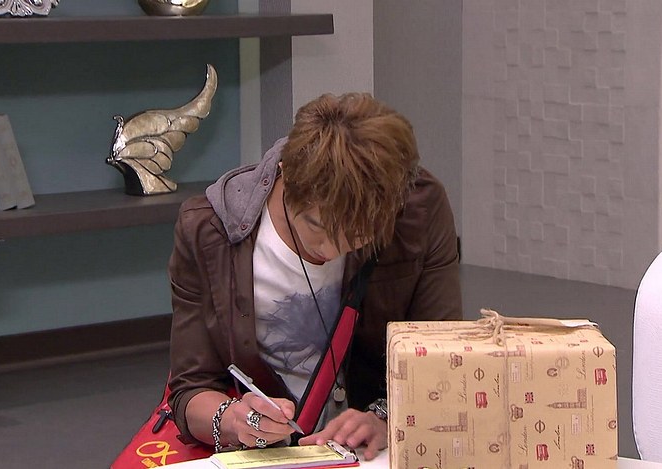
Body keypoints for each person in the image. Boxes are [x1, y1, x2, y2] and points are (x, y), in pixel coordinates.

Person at [167, 92, 461, 461]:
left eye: (360, 233)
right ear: (286, 176)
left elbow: (444, 358)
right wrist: (232, 419)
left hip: (375, 454)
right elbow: (190, 390)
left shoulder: (419, 207)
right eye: (316, 225)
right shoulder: (208, 231)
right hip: (275, 455)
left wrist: (387, 418)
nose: (333, 249)